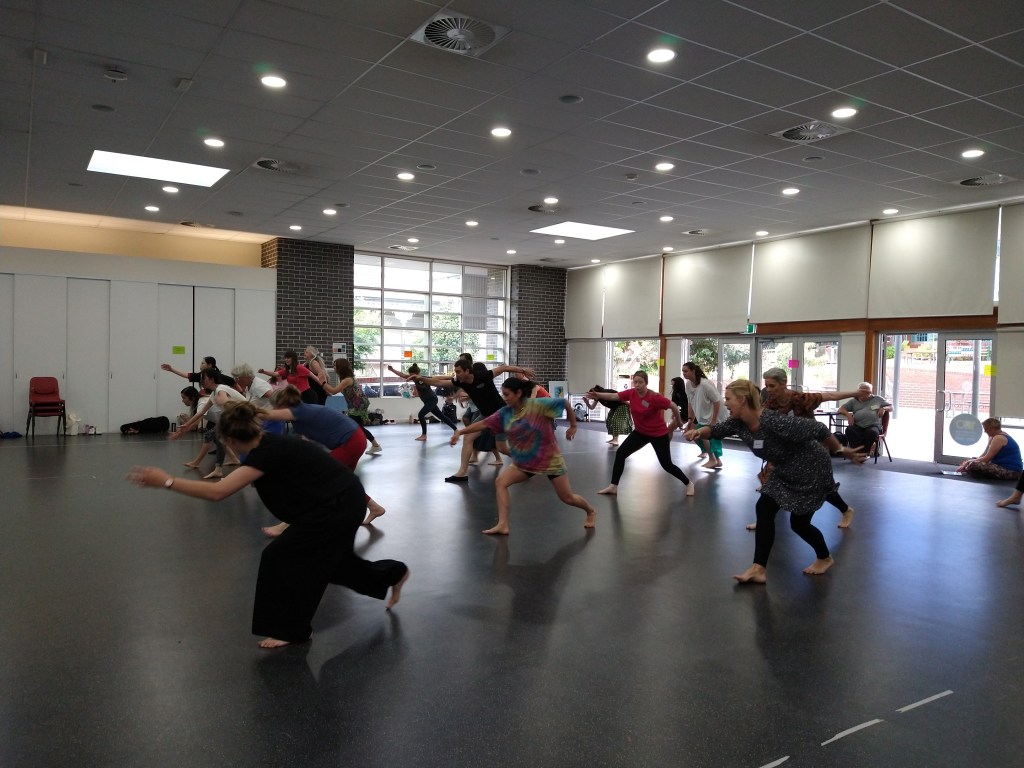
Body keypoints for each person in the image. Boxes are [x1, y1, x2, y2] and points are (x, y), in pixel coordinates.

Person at [126, 400, 409, 649]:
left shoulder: (267, 452)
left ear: (229, 440)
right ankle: (395, 573)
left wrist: (166, 481)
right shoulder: (265, 446)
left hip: (338, 505)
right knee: (336, 565)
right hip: (337, 500)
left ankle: (294, 630)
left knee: (281, 556)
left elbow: (218, 492)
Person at [685, 380, 867, 584]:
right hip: (784, 468)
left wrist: (841, 450)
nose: (725, 403)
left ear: (742, 400)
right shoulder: (738, 422)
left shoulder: (773, 421)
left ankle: (824, 557)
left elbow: (819, 429)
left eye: (728, 399)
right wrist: (699, 432)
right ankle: (758, 568)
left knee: (799, 524)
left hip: (811, 467)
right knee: (764, 508)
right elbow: (715, 430)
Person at [451, 378, 596, 535]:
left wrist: (573, 425)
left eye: (507, 394)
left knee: (567, 498)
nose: (504, 398)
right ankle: (503, 524)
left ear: (518, 393)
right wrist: (460, 432)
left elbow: (565, 403)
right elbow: (484, 423)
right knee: (501, 482)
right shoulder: (505, 413)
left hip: (549, 460)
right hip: (524, 463)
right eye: (503, 394)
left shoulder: (538, 405)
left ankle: (590, 511)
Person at [261, 385, 385, 529]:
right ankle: (374, 507)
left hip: (351, 441)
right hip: (355, 439)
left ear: (283, 405)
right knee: (344, 482)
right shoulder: (302, 413)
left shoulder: (298, 411)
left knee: (313, 479)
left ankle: (288, 524)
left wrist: (241, 409)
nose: (275, 410)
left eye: (276, 407)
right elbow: (306, 443)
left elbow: (266, 415)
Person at [757, 367, 866, 530]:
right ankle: (764, 520)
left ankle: (846, 510)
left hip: (812, 450)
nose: (768, 389)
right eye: (766, 386)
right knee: (771, 479)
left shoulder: (800, 399)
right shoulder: (770, 404)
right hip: (787, 451)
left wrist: (855, 393)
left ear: (784, 383)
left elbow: (830, 395)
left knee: (822, 486)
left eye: (772, 386)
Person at [415, 358, 535, 483]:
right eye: (456, 372)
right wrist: (422, 379)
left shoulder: (483, 376)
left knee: (502, 448)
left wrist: (523, 370)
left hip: (500, 414)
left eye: (458, 371)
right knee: (468, 437)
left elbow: (503, 368)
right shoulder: (460, 381)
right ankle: (462, 473)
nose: (456, 374)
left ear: (467, 371)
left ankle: (525, 461)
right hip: (485, 415)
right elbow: (439, 382)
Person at [588, 371, 694, 498]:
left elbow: (673, 406)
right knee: (620, 453)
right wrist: (597, 394)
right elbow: (614, 396)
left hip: (658, 434)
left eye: (640, 382)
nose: (637, 385)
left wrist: (678, 421)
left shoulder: (654, 397)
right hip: (640, 432)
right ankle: (613, 486)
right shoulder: (631, 393)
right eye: (635, 382)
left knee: (666, 465)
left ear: (646, 383)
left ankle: (688, 483)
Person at [173, 368, 247, 479]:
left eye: (204, 378)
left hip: (242, 416)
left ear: (212, 379)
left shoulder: (220, 389)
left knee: (218, 435)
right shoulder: (214, 393)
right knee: (218, 436)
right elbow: (201, 412)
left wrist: (223, 402)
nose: (201, 381)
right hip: (233, 417)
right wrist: (186, 425)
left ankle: (216, 467)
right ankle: (221, 467)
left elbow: (226, 402)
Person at [323, 358, 383, 455]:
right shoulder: (345, 378)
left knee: (356, 426)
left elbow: (334, 391)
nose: (333, 367)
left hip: (358, 405)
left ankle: (373, 445)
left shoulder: (347, 379)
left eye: (335, 366)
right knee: (358, 426)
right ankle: (375, 445)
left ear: (341, 367)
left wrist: (322, 382)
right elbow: (336, 391)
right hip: (356, 404)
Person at [387, 363, 459, 440]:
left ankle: (424, 435)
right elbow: (402, 375)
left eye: (413, 375)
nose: (412, 377)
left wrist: (451, 377)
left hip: (432, 399)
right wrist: (392, 370)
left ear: (418, 373)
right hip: (427, 401)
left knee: (421, 415)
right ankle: (456, 430)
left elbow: (438, 378)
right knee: (441, 416)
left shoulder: (425, 378)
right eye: (410, 375)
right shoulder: (414, 378)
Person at [682, 362, 725, 469]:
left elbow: (716, 401)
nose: (684, 373)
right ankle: (714, 459)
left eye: (686, 371)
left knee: (705, 436)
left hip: (712, 416)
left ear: (693, 371)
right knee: (693, 435)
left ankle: (713, 459)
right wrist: (690, 419)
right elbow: (690, 403)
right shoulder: (688, 385)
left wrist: (714, 420)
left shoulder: (705, 384)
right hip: (702, 416)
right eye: (683, 371)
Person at [837, 382, 892, 453]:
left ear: (870, 392)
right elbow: (841, 409)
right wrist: (848, 415)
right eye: (861, 392)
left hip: (873, 425)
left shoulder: (877, 399)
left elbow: (891, 407)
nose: (863, 395)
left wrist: (884, 408)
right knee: (849, 430)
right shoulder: (853, 401)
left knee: (871, 433)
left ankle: (865, 452)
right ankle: (860, 452)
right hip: (858, 425)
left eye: (866, 393)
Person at [161, 356, 234, 388]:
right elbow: (187, 375)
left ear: (209, 365)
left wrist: (240, 393)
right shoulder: (201, 375)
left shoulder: (219, 376)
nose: (200, 365)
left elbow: (233, 382)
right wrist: (172, 370)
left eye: (203, 363)